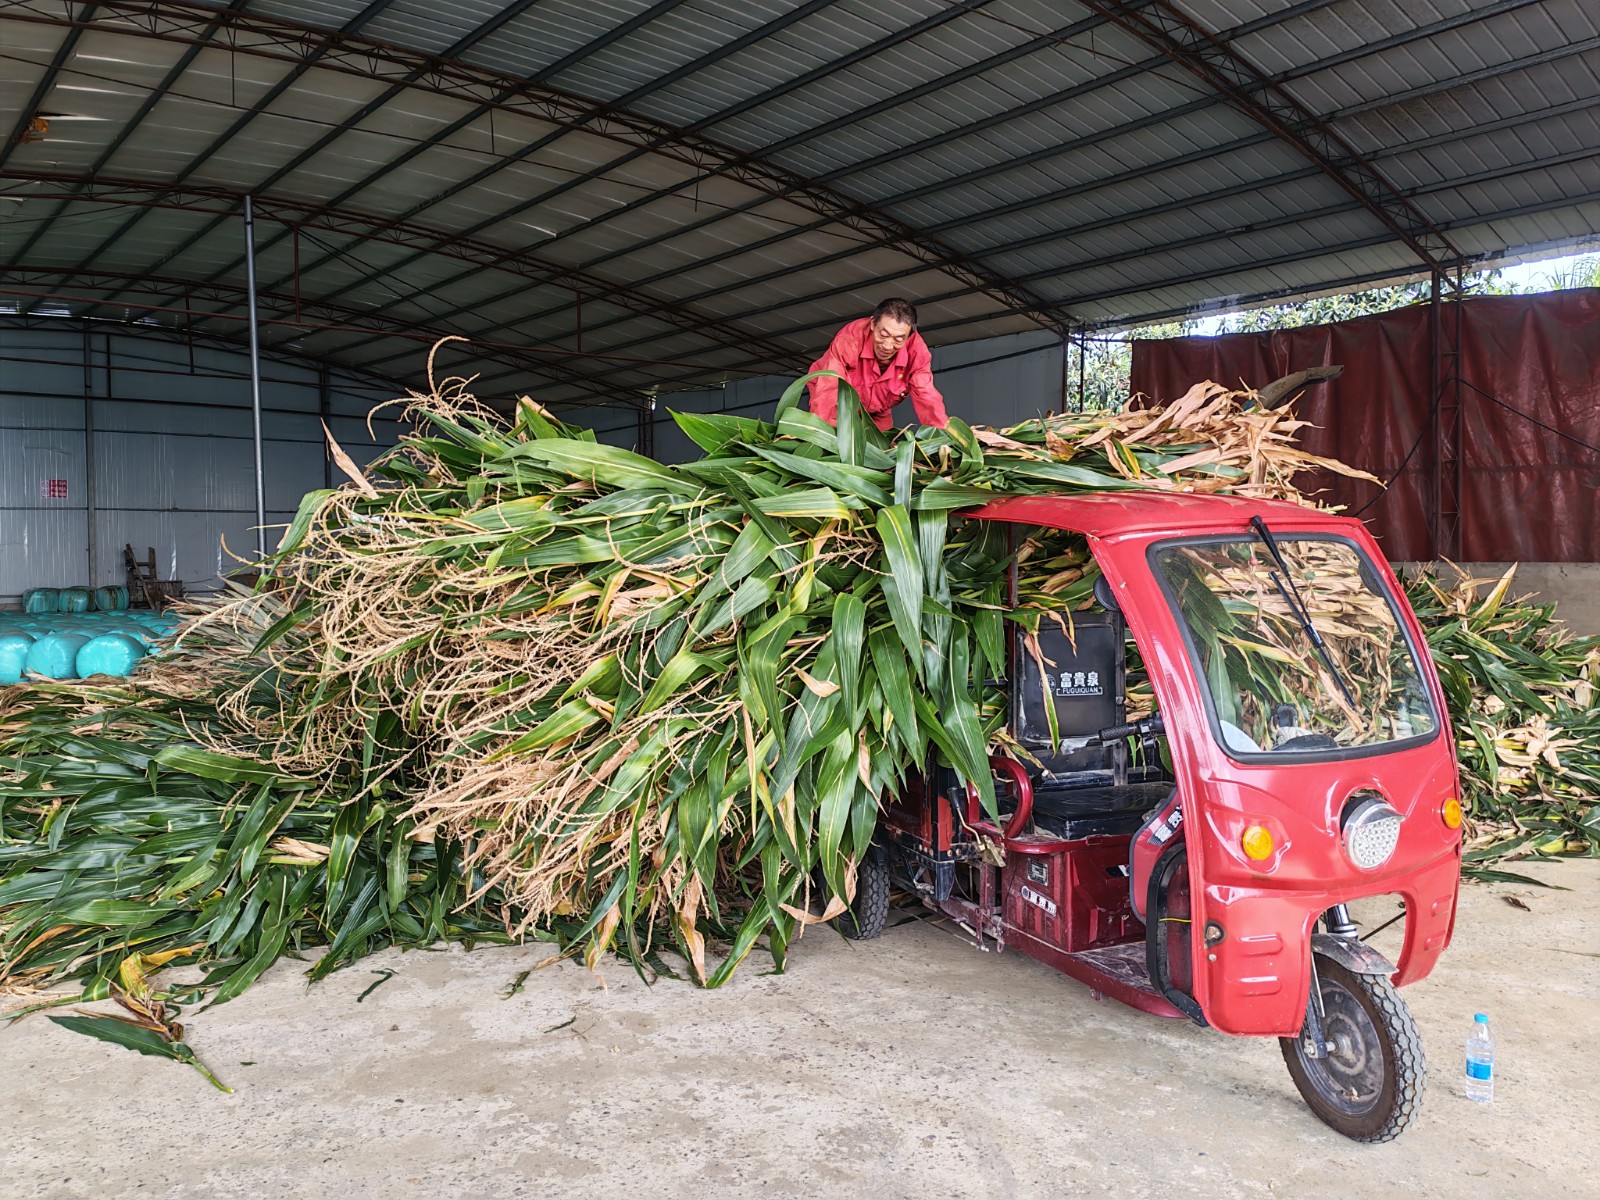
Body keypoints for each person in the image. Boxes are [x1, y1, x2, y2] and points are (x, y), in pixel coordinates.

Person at [806, 298, 948, 430]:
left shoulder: (917, 353)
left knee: (883, 450)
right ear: (873, 323)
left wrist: (944, 435)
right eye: (883, 335)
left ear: (909, 336)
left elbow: (926, 395)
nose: (887, 345)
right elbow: (829, 384)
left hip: (876, 410)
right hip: (835, 399)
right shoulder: (851, 339)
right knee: (835, 439)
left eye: (898, 339)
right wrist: (820, 431)